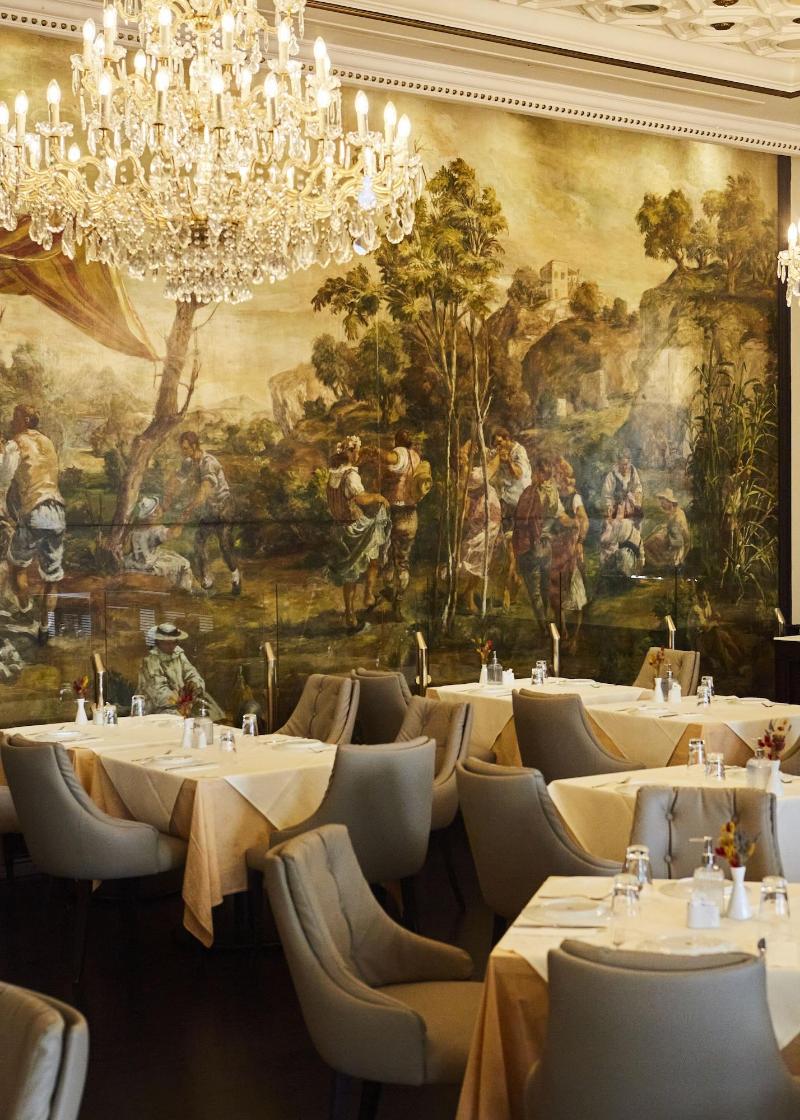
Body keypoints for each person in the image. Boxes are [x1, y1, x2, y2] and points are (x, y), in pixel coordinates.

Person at [5, 404, 66, 645]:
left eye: (16, 417)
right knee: (51, 578)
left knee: (16, 567)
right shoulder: (47, 443)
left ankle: (26, 611)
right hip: (57, 512)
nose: (12, 422)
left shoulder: (15, 444)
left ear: (26, 420)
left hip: (34, 511)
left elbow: (4, 477)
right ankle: (45, 628)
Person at [324, 435, 390, 631]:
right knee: (373, 548)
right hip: (354, 528)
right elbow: (361, 498)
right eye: (357, 452)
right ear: (350, 453)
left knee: (354, 570)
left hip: (339, 528)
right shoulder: (351, 475)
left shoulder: (333, 474)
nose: (358, 455)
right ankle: (365, 599)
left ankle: (353, 611)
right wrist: (377, 496)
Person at [364, 429, 431, 620]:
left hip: (394, 514)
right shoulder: (416, 457)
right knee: (402, 561)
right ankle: (397, 601)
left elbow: (391, 458)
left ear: (398, 442)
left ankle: (389, 591)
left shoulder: (400, 453)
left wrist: (375, 451)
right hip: (411, 515)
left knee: (385, 558)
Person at [166, 431, 241, 596]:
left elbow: (203, 493)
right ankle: (208, 578)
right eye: (182, 448)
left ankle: (236, 577)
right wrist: (167, 499)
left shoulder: (209, 463)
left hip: (224, 506)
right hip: (211, 508)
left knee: (224, 545)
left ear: (194, 446)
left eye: (185, 448)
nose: (183, 452)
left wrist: (185, 513)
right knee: (199, 541)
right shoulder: (189, 462)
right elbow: (177, 479)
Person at [512, 456, 563, 631]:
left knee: (536, 592)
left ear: (538, 473)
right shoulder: (552, 493)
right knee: (544, 588)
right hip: (545, 546)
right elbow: (555, 517)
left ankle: (544, 628)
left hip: (532, 547)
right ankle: (547, 625)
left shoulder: (530, 493)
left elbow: (522, 521)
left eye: (537, 472)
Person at [137, 621, 224, 719]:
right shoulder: (151, 661)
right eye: (167, 643)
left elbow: (191, 673)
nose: (171, 646)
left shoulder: (179, 655)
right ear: (159, 642)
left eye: (174, 642)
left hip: (183, 701)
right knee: (178, 719)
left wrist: (194, 686)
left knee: (208, 709)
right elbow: (159, 694)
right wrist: (181, 699)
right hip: (160, 707)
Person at [458, 443, 502, 615]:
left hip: (485, 518)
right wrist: (497, 452)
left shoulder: (467, 474)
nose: (463, 458)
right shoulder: (474, 476)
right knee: (479, 557)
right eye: (462, 458)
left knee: (480, 557)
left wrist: (471, 445)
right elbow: (493, 464)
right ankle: (468, 598)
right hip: (486, 519)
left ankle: (467, 595)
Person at [490, 427, 531, 610]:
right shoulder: (500, 452)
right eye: (496, 444)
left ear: (508, 439)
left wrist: (507, 462)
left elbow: (519, 474)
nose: (498, 447)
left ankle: (509, 590)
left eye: (500, 443)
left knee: (513, 550)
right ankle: (512, 585)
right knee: (508, 550)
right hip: (505, 504)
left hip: (520, 506)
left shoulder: (519, 452)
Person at [550, 457, 588, 645]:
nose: (558, 478)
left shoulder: (575, 498)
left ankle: (576, 636)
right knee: (555, 592)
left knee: (574, 591)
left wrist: (579, 540)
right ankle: (562, 631)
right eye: (556, 474)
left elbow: (583, 520)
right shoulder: (552, 495)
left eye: (560, 474)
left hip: (569, 548)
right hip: (554, 549)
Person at [123, 495, 194, 592]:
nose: (160, 509)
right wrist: (183, 518)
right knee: (183, 563)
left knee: (168, 554)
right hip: (146, 563)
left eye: (158, 507)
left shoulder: (136, 529)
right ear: (153, 515)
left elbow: (128, 548)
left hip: (134, 560)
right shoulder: (155, 530)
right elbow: (173, 534)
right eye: (156, 509)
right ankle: (184, 589)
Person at [644, 488, 691, 570]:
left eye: (663, 502)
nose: (661, 504)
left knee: (653, 541)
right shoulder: (671, 512)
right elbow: (669, 526)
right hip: (671, 540)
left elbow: (678, 535)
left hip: (675, 545)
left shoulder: (679, 514)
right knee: (651, 540)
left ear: (669, 502)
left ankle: (661, 564)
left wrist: (663, 535)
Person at [599, 502, 644, 579]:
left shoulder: (624, 523)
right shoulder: (638, 535)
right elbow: (641, 558)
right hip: (631, 567)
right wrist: (637, 572)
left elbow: (611, 540)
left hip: (620, 563)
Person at [600, 446, 643, 525]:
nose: (624, 467)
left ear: (629, 462)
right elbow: (606, 494)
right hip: (617, 508)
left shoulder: (632, 471)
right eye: (622, 464)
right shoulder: (612, 475)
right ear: (618, 463)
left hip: (631, 505)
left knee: (634, 522)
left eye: (626, 464)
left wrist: (636, 500)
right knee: (616, 525)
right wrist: (609, 507)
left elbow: (638, 486)